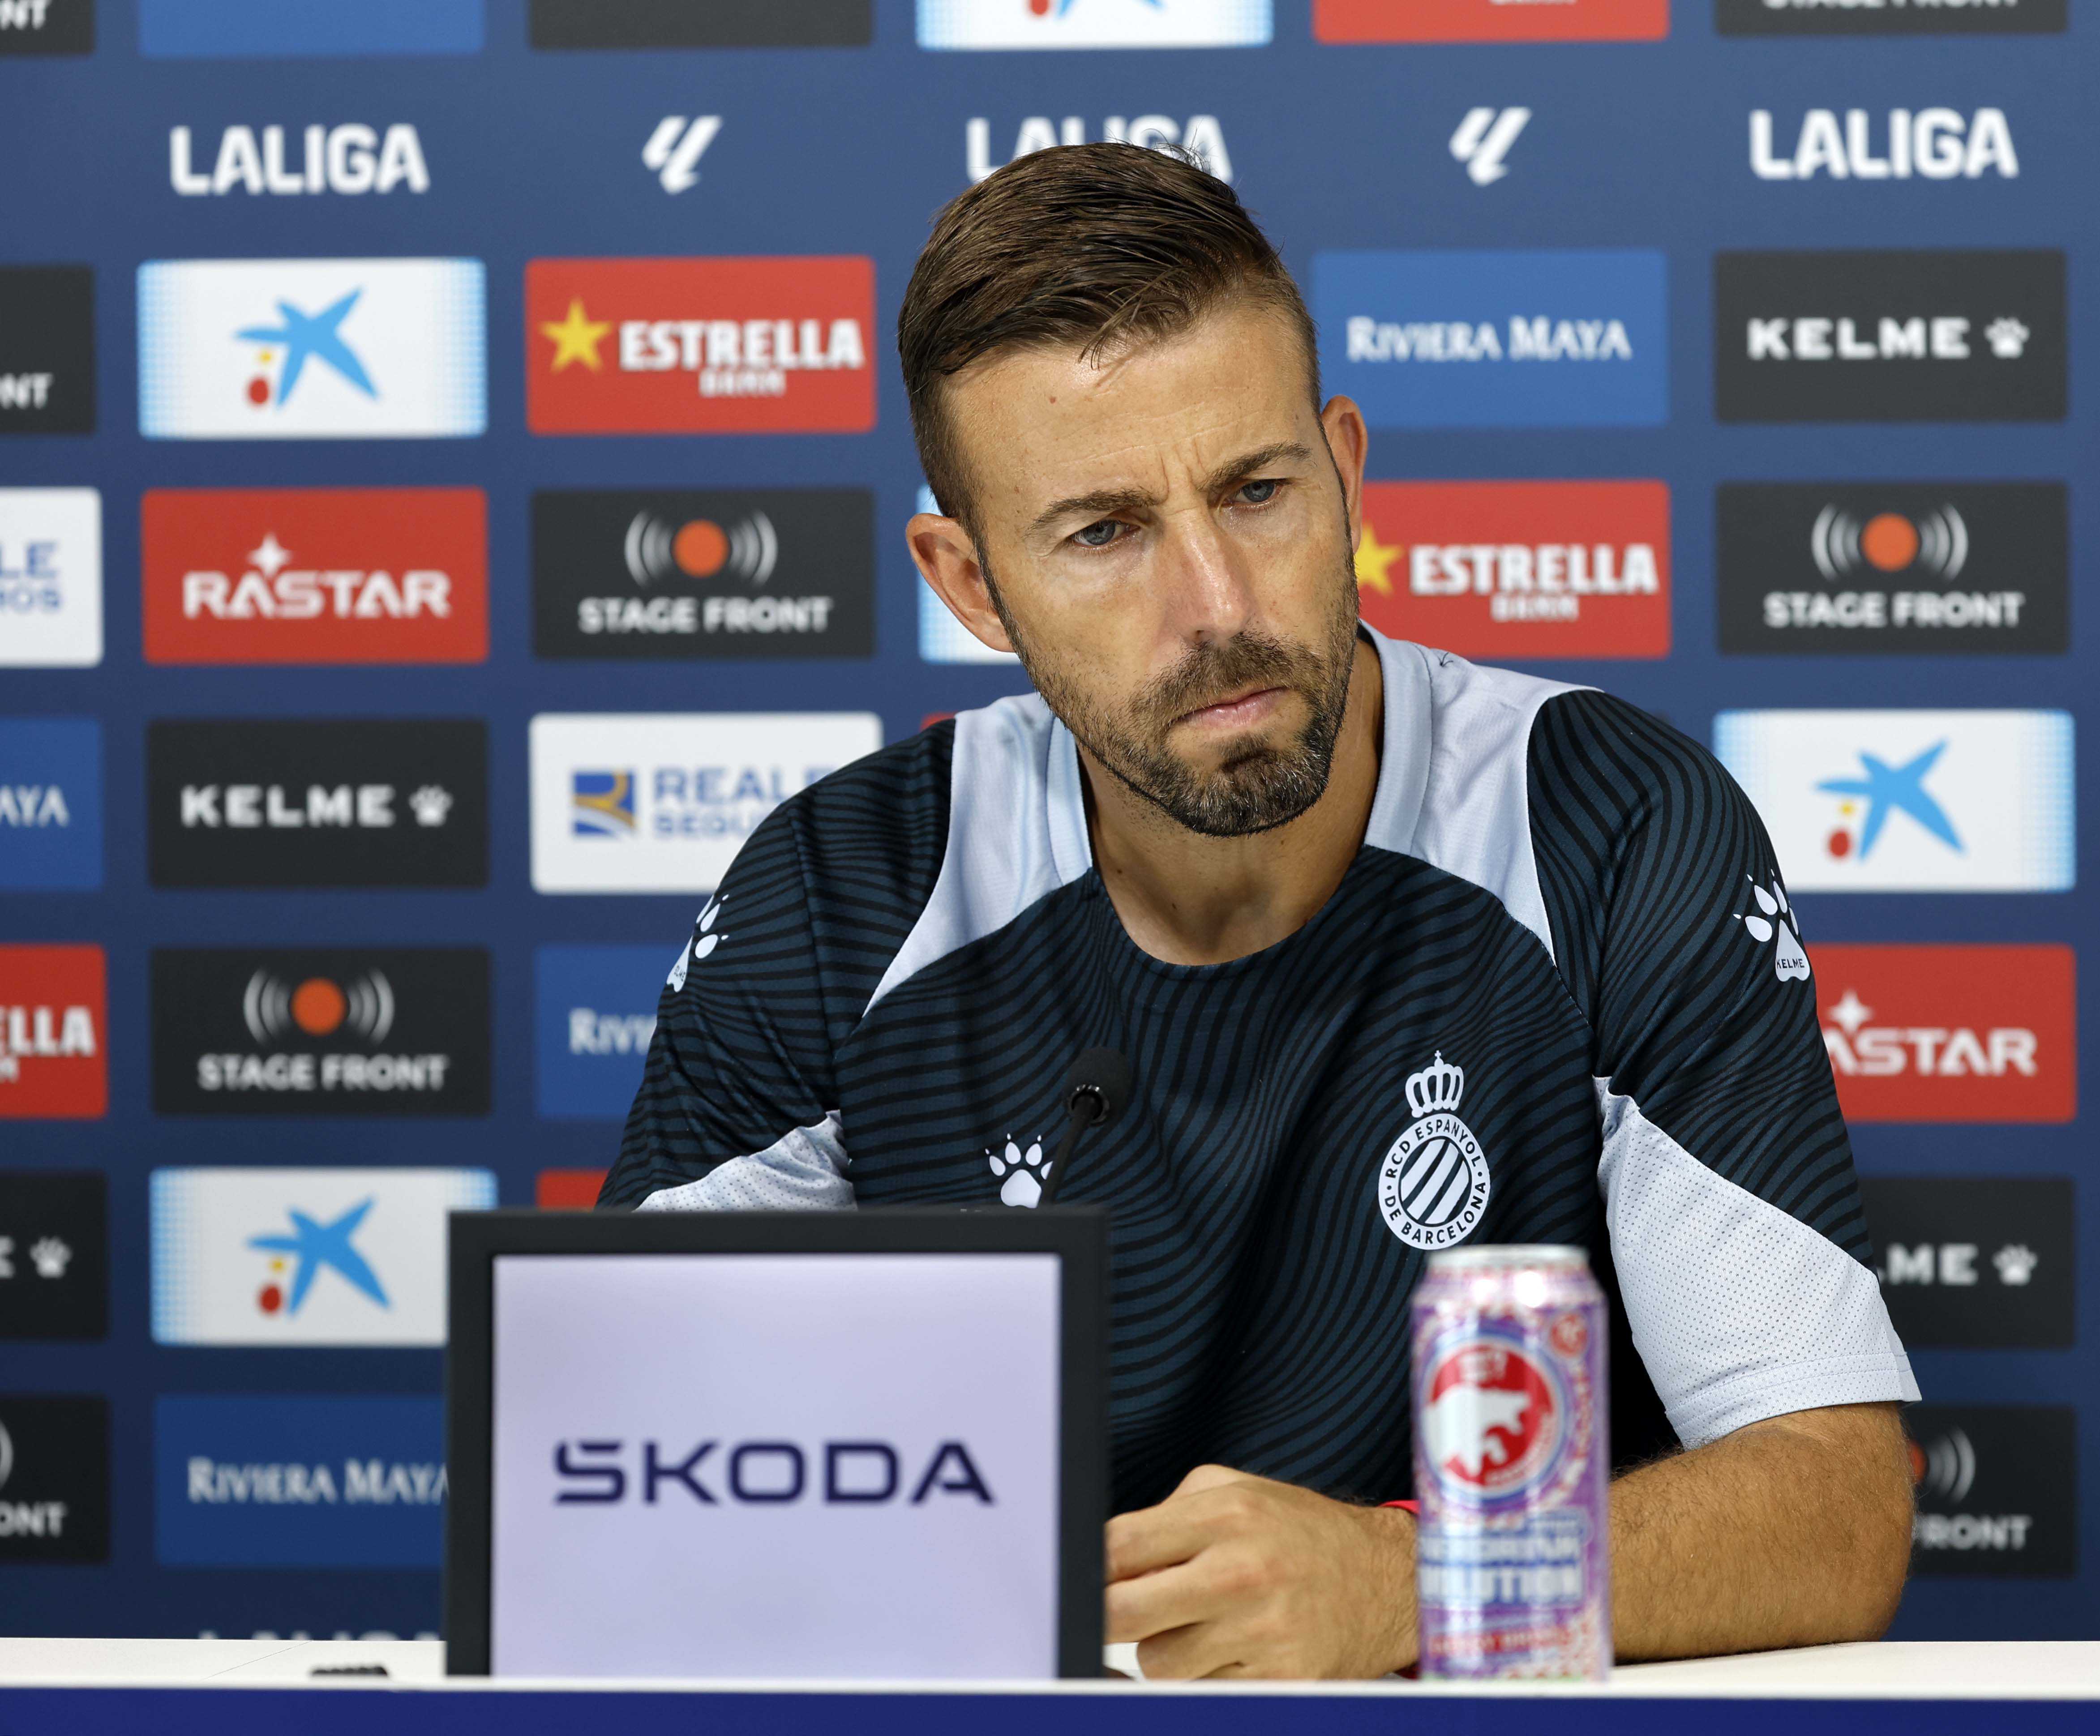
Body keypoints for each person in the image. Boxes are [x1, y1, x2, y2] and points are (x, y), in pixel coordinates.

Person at [600, 142, 1919, 1678]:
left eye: (1256, 491)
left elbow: (1832, 1507)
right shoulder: (846, 885)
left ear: (1343, 466)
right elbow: (615, 1479)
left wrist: (1402, 1583)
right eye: (1102, 532)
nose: (1217, 607)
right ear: (969, 583)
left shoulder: (1604, 821)